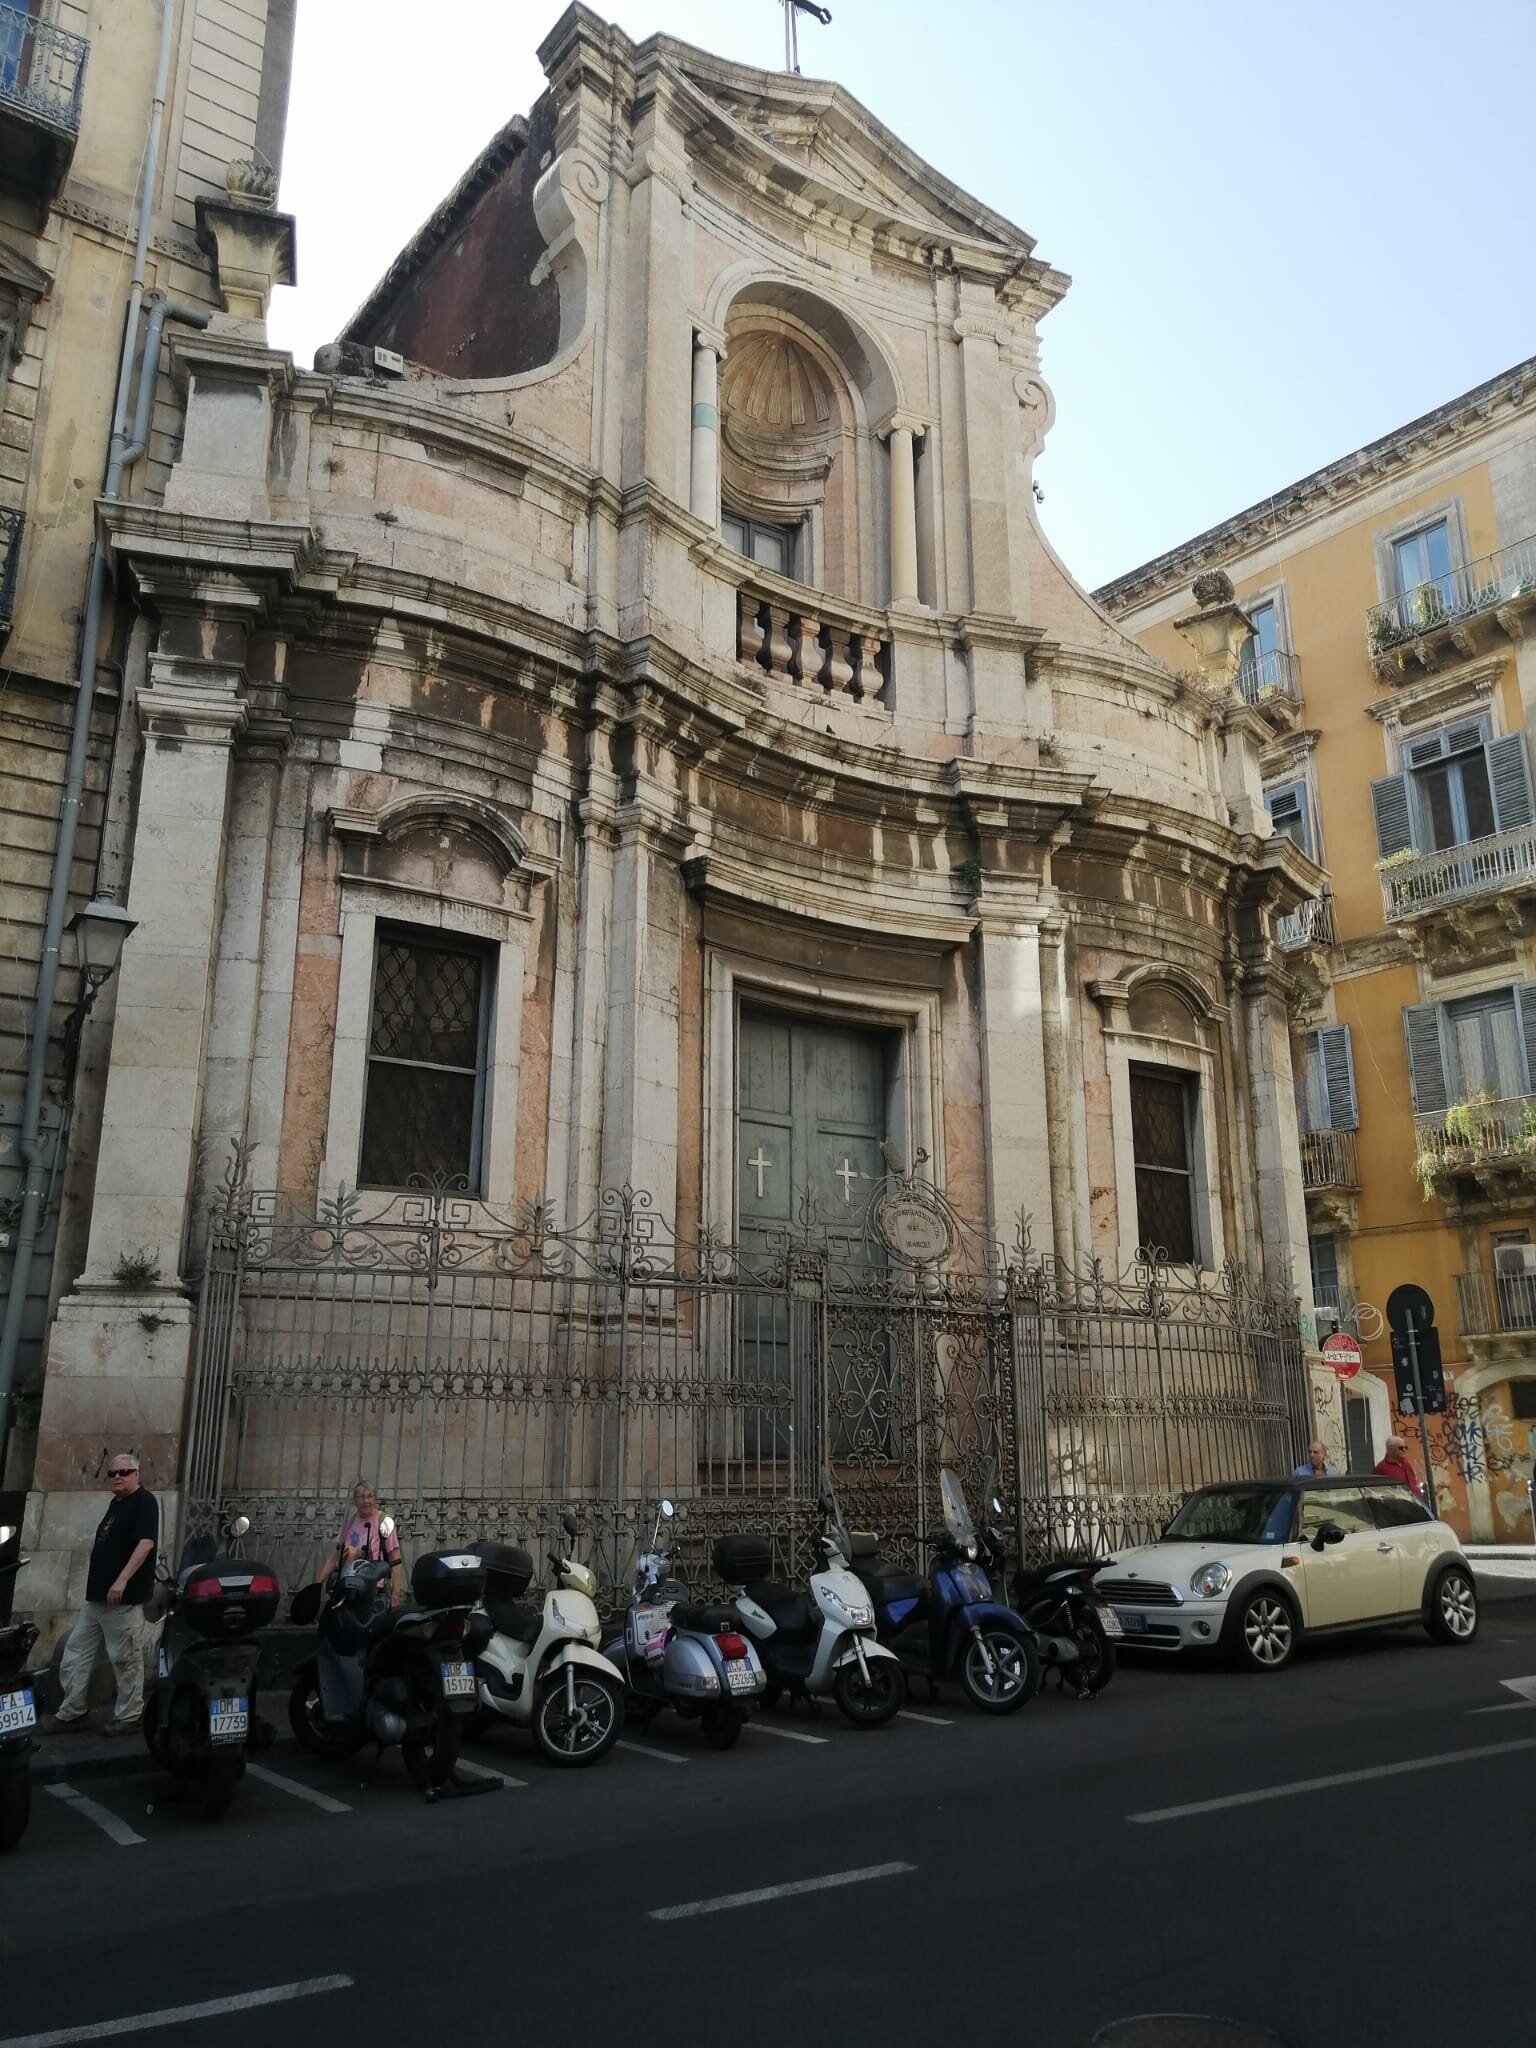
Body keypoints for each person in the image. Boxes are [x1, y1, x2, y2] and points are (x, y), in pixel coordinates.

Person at [51, 1452, 159, 1734]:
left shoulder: (144, 1502)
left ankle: (129, 1716)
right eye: (112, 1473)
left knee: (125, 1658)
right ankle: (72, 1710)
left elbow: (145, 1543)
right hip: (97, 1598)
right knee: (76, 1652)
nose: (117, 1477)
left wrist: (121, 1580)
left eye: (124, 1472)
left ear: (136, 1474)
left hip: (122, 1599)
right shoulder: (116, 1503)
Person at [317, 1481, 402, 1609]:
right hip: (348, 1585)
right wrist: (317, 1586)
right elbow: (333, 1558)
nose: (366, 1501)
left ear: (375, 1499)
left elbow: (395, 1560)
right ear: (355, 1500)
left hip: (373, 1588)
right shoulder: (351, 1521)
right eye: (361, 1497)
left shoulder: (383, 1521)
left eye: (369, 1496)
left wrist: (395, 1594)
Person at [1374, 1434, 1425, 1501]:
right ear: (1390, 1449)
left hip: (1415, 1504)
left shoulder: (1406, 1464)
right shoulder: (1382, 1467)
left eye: (1405, 1447)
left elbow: (1413, 1482)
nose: (1404, 1450)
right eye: (1400, 1448)